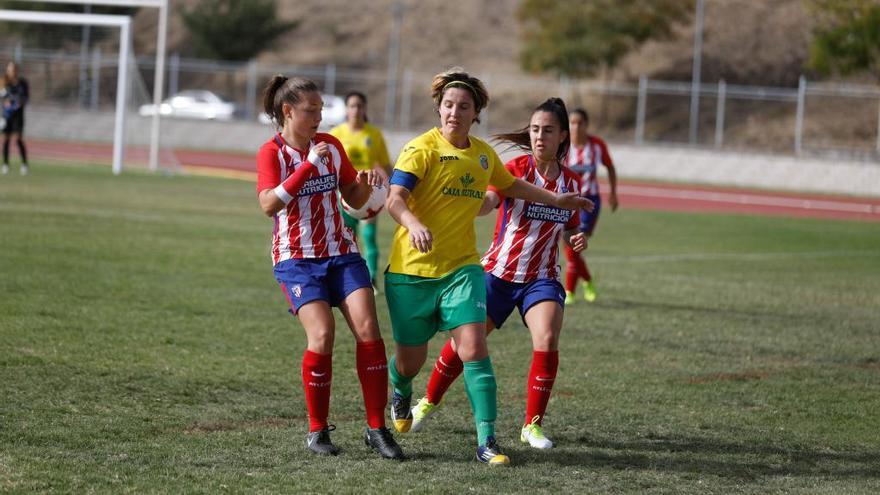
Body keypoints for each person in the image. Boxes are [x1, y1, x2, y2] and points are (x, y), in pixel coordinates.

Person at [384, 68, 592, 465]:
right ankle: (409, 391)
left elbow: (512, 191)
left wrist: (562, 208)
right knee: (411, 360)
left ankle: (490, 440)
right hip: (425, 271)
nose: (454, 113)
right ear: (438, 108)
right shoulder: (420, 149)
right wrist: (415, 221)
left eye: (463, 106)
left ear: (475, 112)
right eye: (448, 105)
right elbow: (397, 198)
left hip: (472, 271)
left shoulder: (484, 155)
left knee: (478, 347)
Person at [255, 75, 403, 460]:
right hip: (296, 259)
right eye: (311, 110)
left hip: (341, 252)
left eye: (321, 109)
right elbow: (269, 204)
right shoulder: (271, 153)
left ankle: (377, 429)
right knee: (322, 335)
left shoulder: (332, 146)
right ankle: (318, 432)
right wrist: (306, 166)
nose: (319, 117)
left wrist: (369, 186)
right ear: (288, 111)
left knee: (369, 329)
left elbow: (352, 194)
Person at [329, 92, 392, 289]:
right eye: (352, 105)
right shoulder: (336, 134)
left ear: (364, 109)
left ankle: (372, 278)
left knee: (369, 235)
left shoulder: (373, 134)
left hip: (369, 192)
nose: (355, 110)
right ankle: (350, 279)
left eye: (359, 106)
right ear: (346, 109)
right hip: (344, 192)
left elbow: (386, 165)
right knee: (348, 236)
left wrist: (394, 187)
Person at [562, 108, 618, 303]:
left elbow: (610, 167)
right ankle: (587, 280)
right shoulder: (564, 146)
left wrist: (612, 193)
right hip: (568, 202)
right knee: (569, 247)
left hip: (590, 203)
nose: (576, 126)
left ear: (586, 125)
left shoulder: (597, 146)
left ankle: (569, 290)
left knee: (574, 245)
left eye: (580, 123)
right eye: (572, 123)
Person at [2, 62, 29, 175]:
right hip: (6, 115)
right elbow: (2, 97)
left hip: (18, 115)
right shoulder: (3, 82)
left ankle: (24, 164)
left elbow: (26, 98)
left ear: (17, 70)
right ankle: (5, 164)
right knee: (5, 140)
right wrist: (5, 102)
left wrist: (19, 103)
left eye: (14, 69)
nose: (12, 72)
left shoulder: (23, 83)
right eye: (10, 69)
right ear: (7, 70)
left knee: (18, 139)